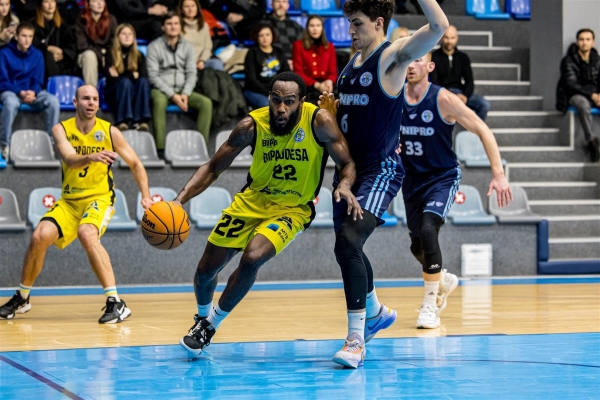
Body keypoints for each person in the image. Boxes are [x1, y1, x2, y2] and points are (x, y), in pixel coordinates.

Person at [176, 71, 361, 358]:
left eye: (289, 101)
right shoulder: (252, 125)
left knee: (252, 257)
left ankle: (210, 326)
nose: (281, 108)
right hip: (252, 201)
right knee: (205, 272)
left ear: (301, 101)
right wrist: (179, 200)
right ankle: (202, 318)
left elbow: (347, 162)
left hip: (293, 209)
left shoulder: (319, 121)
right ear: (269, 99)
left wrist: (345, 185)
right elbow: (213, 167)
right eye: (276, 100)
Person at [318, 0, 449, 369]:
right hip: (348, 172)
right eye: (348, 22)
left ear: (379, 23)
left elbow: (438, 26)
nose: (350, 30)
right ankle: (374, 312)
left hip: (379, 171)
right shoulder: (351, 65)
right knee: (346, 248)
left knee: (349, 240)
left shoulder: (392, 57)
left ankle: (356, 340)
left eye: (357, 23)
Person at [0, 85, 153, 323]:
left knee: (87, 233)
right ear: (75, 102)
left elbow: (135, 163)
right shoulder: (60, 129)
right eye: (86, 98)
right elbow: (70, 159)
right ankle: (23, 297)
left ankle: (116, 302)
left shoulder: (110, 131)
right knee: (39, 236)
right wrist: (91, 157)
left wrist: (146, 195)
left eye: (95, 99)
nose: (91, 103)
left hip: (99, 198)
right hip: (70, 201)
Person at [399, 53, 512, 329]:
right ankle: (441, 278)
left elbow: (482, 129)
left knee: (428, 230)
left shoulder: (443, 99)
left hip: (442, 177)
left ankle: (430, 305)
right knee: (417, 245)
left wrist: (498, 174)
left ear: (430, 66)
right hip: (411, 180)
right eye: (408, 59)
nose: (411, 65)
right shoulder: (394, 96)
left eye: (418, 60)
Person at [147, 11, 213, 150]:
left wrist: (185, 93)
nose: (173, 27)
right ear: (163, 27)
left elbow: (191, 73)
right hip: (161, 90)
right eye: (169, 24)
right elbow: (153, 76)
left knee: (206, 103)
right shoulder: (154, 47)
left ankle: (200, 147)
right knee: (159, 102)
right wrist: (173, 95)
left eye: (176, 23)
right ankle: (160, 149)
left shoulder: (187, 46)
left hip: (183, 90)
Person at [0, 22, 60, 161]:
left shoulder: (37, 54)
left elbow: (38, 80)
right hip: (10, 91)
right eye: (24, 36)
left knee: (53, 101)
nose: (27, 40)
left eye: (30, 36)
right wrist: (20, 92)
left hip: (32, 92)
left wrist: (33, 92)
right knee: (10, 103)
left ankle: (50, 143)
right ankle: (4, 144)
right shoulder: (3, 53)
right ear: (16, 36)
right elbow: (2, 81)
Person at [430, 25, 490, 121]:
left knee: (484, 104)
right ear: (441, 38)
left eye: (452, 38)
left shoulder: (463, 57)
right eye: (447, 37)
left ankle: (472, 130)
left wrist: (465, 96)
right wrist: (448, 96)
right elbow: (434, 82)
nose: (449, 41)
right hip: (442, 93)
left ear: (457, 38)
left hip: (460, 93)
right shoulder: (434, 56)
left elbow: (469, 81)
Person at [558, 28, 600, 162]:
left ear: (593, 42)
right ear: (577, 42)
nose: (584, 42)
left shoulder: (597, 60)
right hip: (574, 95)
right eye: (581, 39)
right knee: (583, 104)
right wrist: (592, 95)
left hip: (594, 95)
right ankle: (591, 141)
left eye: (588, 39)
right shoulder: (568, 61)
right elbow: (571, 84)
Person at [104, 23, 151, 131]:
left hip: (133, 91)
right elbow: (110, 79)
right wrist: (132, 76)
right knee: (125, 83)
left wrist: (120, 75)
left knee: (143, 82)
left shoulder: (139, 55)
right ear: (118, 36)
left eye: (130, 34)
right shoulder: (110, 53)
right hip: (115, 92)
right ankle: (122, 121)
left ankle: (141, 121)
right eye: (124, 34)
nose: (127, 37)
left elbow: (144, 76)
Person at [243, 22, 289, 109]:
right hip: (255, 90)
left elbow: (286, 74)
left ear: (272, 36)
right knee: (267, 105)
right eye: (261, 35)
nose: (265, 38)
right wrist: (269, 93)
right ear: (257, 37)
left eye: (267, 34)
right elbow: (251, 79)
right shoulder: (252, 53)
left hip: (276, 90)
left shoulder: (279, 52)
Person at [292, 15, 337, 105]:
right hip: (308, 86)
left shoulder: (330, 46)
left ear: (322, 28)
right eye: (312, 25)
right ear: (307, 28)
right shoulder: (298, 46)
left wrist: (329, 82)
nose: (315, 29)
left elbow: (333, 71)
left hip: (327, 85)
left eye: (318, 25)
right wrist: (317, 85)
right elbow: (298, 73)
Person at [76, 0, 118, 87]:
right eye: (95, 1)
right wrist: (100, 56)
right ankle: (92, 92)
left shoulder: (112, 20)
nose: (99, 4)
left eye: (102, 1)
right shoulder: (81, 20)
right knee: (89, 55)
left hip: (107, 55)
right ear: (88, 5)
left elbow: (114, 43)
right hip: (87, 55)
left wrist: (107, 57)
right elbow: (83, 45)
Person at [32, 0, 77, 79]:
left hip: (62, 61)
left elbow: (71, 44)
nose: (50, 5)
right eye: (46, 2)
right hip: (42, 61)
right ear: (40, 4)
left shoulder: (63, 24)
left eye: (52, 1)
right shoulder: (33, 25)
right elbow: (32, 44)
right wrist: (48, 48)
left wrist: (63, 53)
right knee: (48, 56)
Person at [179, 0, 224, 71]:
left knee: (216, 63)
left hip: (202, 61)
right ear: (181, 10)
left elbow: (208, 47)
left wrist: (202, 60)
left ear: (197, 8)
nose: (190, 9)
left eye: (193, 6)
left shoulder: (204, 25)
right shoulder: (177, 26)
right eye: (186, 7)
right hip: (183, 62)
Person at [106, 0, 174, 42]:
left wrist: (158, 4)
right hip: (127, 21)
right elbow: (126, 9)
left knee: (160, 26)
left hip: (147, 22)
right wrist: (149, 11)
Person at [266, 0, 303, 69]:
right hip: (270, 64)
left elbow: (301, 50)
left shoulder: (296, 27)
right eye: (277, 1)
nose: (281, 5)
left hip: (292, 65)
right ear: (272, 4)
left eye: (284, 1)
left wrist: (295, 62)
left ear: (288, 5)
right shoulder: (263, 26)